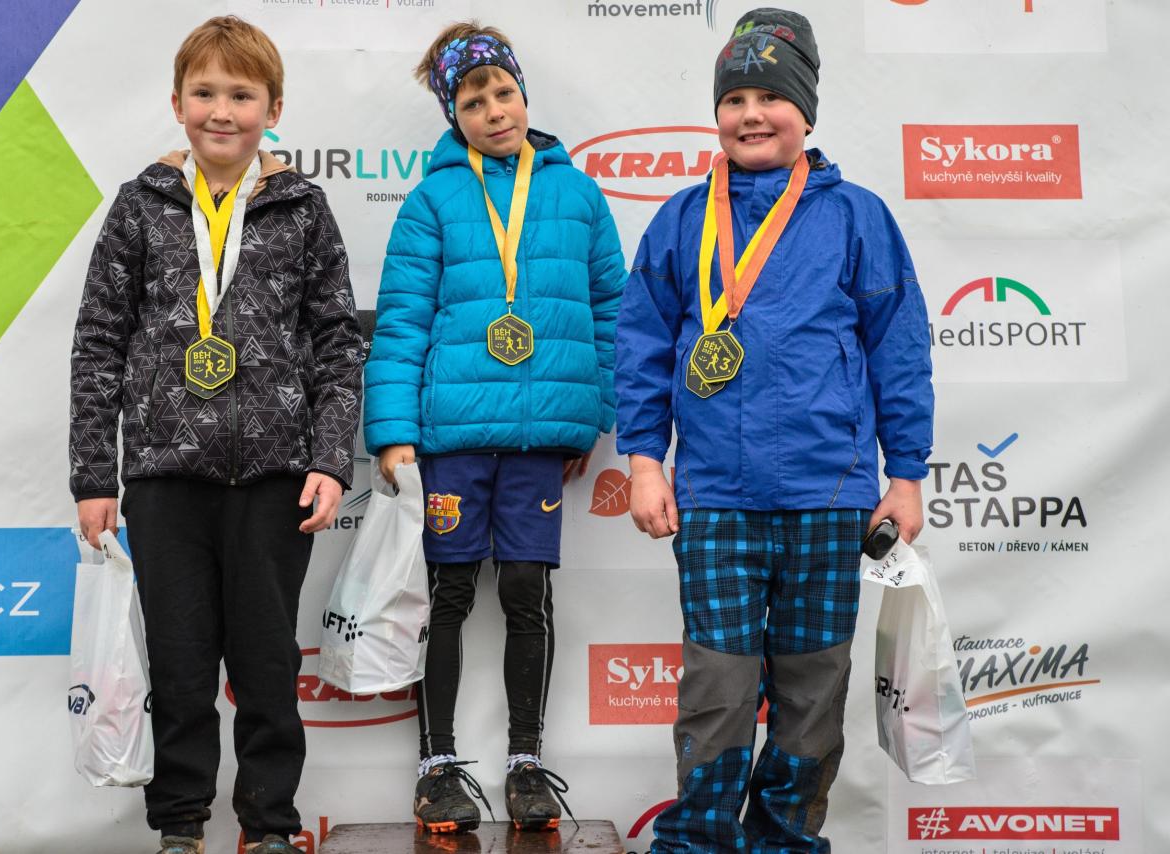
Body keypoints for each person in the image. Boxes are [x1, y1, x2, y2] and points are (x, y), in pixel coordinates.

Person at [614, 8, 934, 852]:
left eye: (771, 97)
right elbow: (642, 347)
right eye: (735, 99)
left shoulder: (857, 216)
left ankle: (786, 839)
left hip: (829, 496)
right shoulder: (682, 218)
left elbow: (898, 352)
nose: (752, 114)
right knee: (717, 691)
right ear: (717, 112)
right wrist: (645, 463)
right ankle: (697, 841)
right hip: (715, 497)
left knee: (813, 692)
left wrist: (905, 476)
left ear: (807, 112)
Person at [68, 16, 362, 854]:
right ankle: (181, 826)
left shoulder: (303, 210)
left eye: (242, 94)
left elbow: (338, 342)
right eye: (205, 93)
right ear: (177, 103)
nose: (222, 111)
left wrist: (330, 458)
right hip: (164, 478)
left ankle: (270, 827)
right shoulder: (141, 206)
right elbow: (99, 341)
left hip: (275, 476)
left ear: (274, 108)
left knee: (268, 663)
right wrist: (94, 476)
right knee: (181, 664)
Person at [362, 21, 627, 835]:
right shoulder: (432, 200)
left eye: (504, 93)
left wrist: (591, 415)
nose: (494, 112)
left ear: (523, 94)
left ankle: (525, 762)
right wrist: (393, 432)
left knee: (524, 591)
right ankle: (436, 767)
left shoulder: (578, 195)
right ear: (455, 115)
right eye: (474, 103)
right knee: (444, 595)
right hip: (451, 435)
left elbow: (613, 311)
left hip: (540, 436)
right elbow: (402, 322)